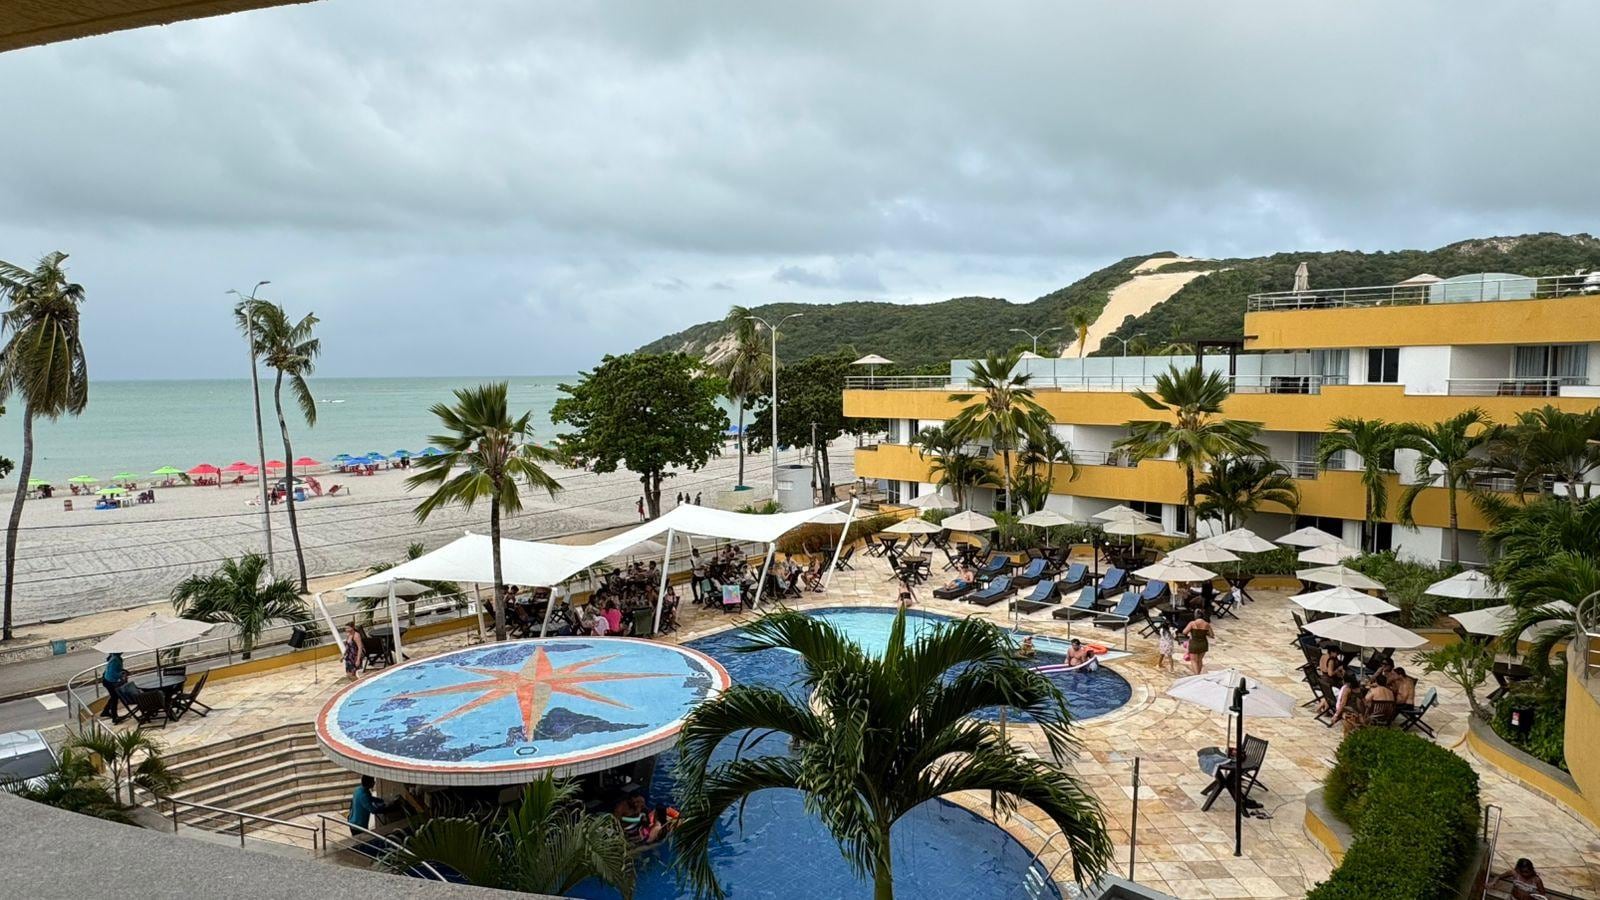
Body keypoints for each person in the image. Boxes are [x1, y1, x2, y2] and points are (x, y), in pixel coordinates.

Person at [100, 652, 129, 723]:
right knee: (114, 698)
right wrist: (121, 674)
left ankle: (106, 711)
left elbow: (116, 670)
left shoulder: (116, 658)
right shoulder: (115, 660)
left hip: (108, 681)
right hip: (109, 681)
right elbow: (113, 673)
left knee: (114, 696)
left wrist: (122, 671)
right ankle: (114, 717)